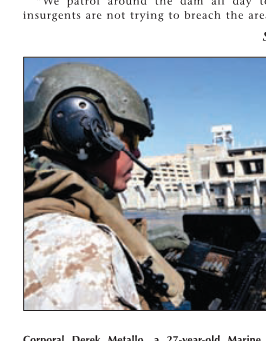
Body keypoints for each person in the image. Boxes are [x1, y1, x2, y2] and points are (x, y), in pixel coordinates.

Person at [24, 62, 185, 311]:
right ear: (82, 131)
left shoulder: (44, 206)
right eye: (130, 139)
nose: (138, 152)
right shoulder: (76, 248)